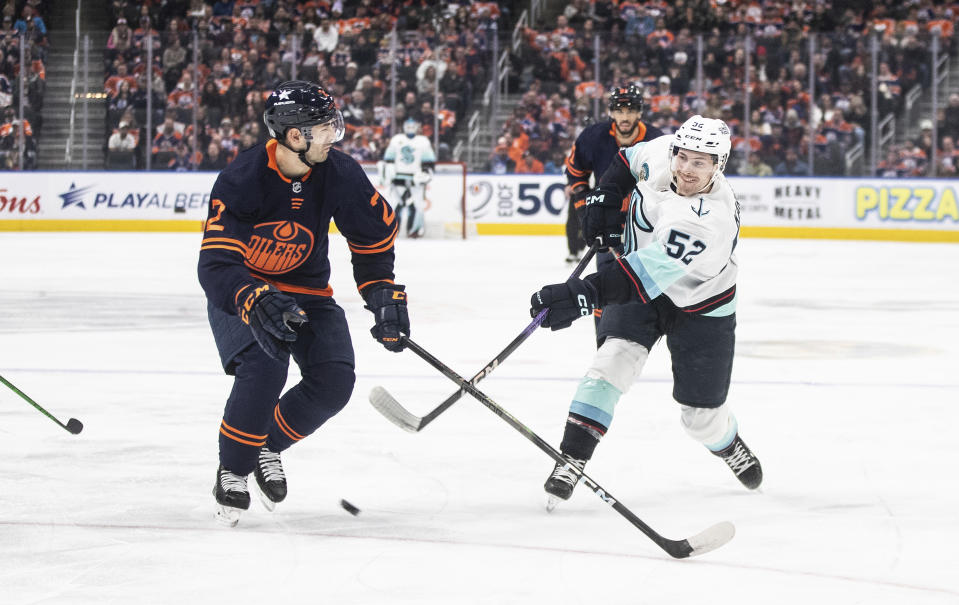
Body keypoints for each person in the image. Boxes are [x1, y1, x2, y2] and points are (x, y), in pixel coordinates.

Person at [198, 80, 410, 527]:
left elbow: (372, 239)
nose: (334, 134)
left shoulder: (339, 171)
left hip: (308, 290)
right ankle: (233, 470)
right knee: (265, 362)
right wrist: (252, 298)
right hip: (246, 289)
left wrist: (383, 293)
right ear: (295, 136)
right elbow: (216, 264)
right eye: (324, 127)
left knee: (334, 380)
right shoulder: (242, 178)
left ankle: (265, 444)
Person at [529, 115, 762, 510]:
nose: (686, 169)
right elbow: (625, 161)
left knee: (700, 418)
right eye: (683, 157)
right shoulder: (662, 152)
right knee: (610, 364)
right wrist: (604, 197)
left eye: (700, 162)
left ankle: (727, 442)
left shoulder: (708, 221)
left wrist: (580, 296)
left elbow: (638, 278)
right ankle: (572, 457)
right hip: (641, 286)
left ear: (718, 166)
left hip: (701, 305)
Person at [563, 84, 663, 265]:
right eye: (619, 110)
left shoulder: (656, 140)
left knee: (644, 283)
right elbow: (575, 171)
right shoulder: (593, 136)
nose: (625, 117)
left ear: (639, 112)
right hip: (608, 215)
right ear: (611, 112)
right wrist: (586, 207)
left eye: (631, 110)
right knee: (607, 280)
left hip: (643, 218)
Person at [378, 118, 436, 238]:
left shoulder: (423, 141)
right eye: (408, 126)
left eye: (412, 126)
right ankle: (392, 230)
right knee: (394, 205)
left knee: (416, 206)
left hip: (416, 178)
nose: (410, 129)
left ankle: (414, 230)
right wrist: (388, 172)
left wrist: (425, 173)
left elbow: (429, 162)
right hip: (398, 178)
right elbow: (388, 159)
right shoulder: (396, 139)